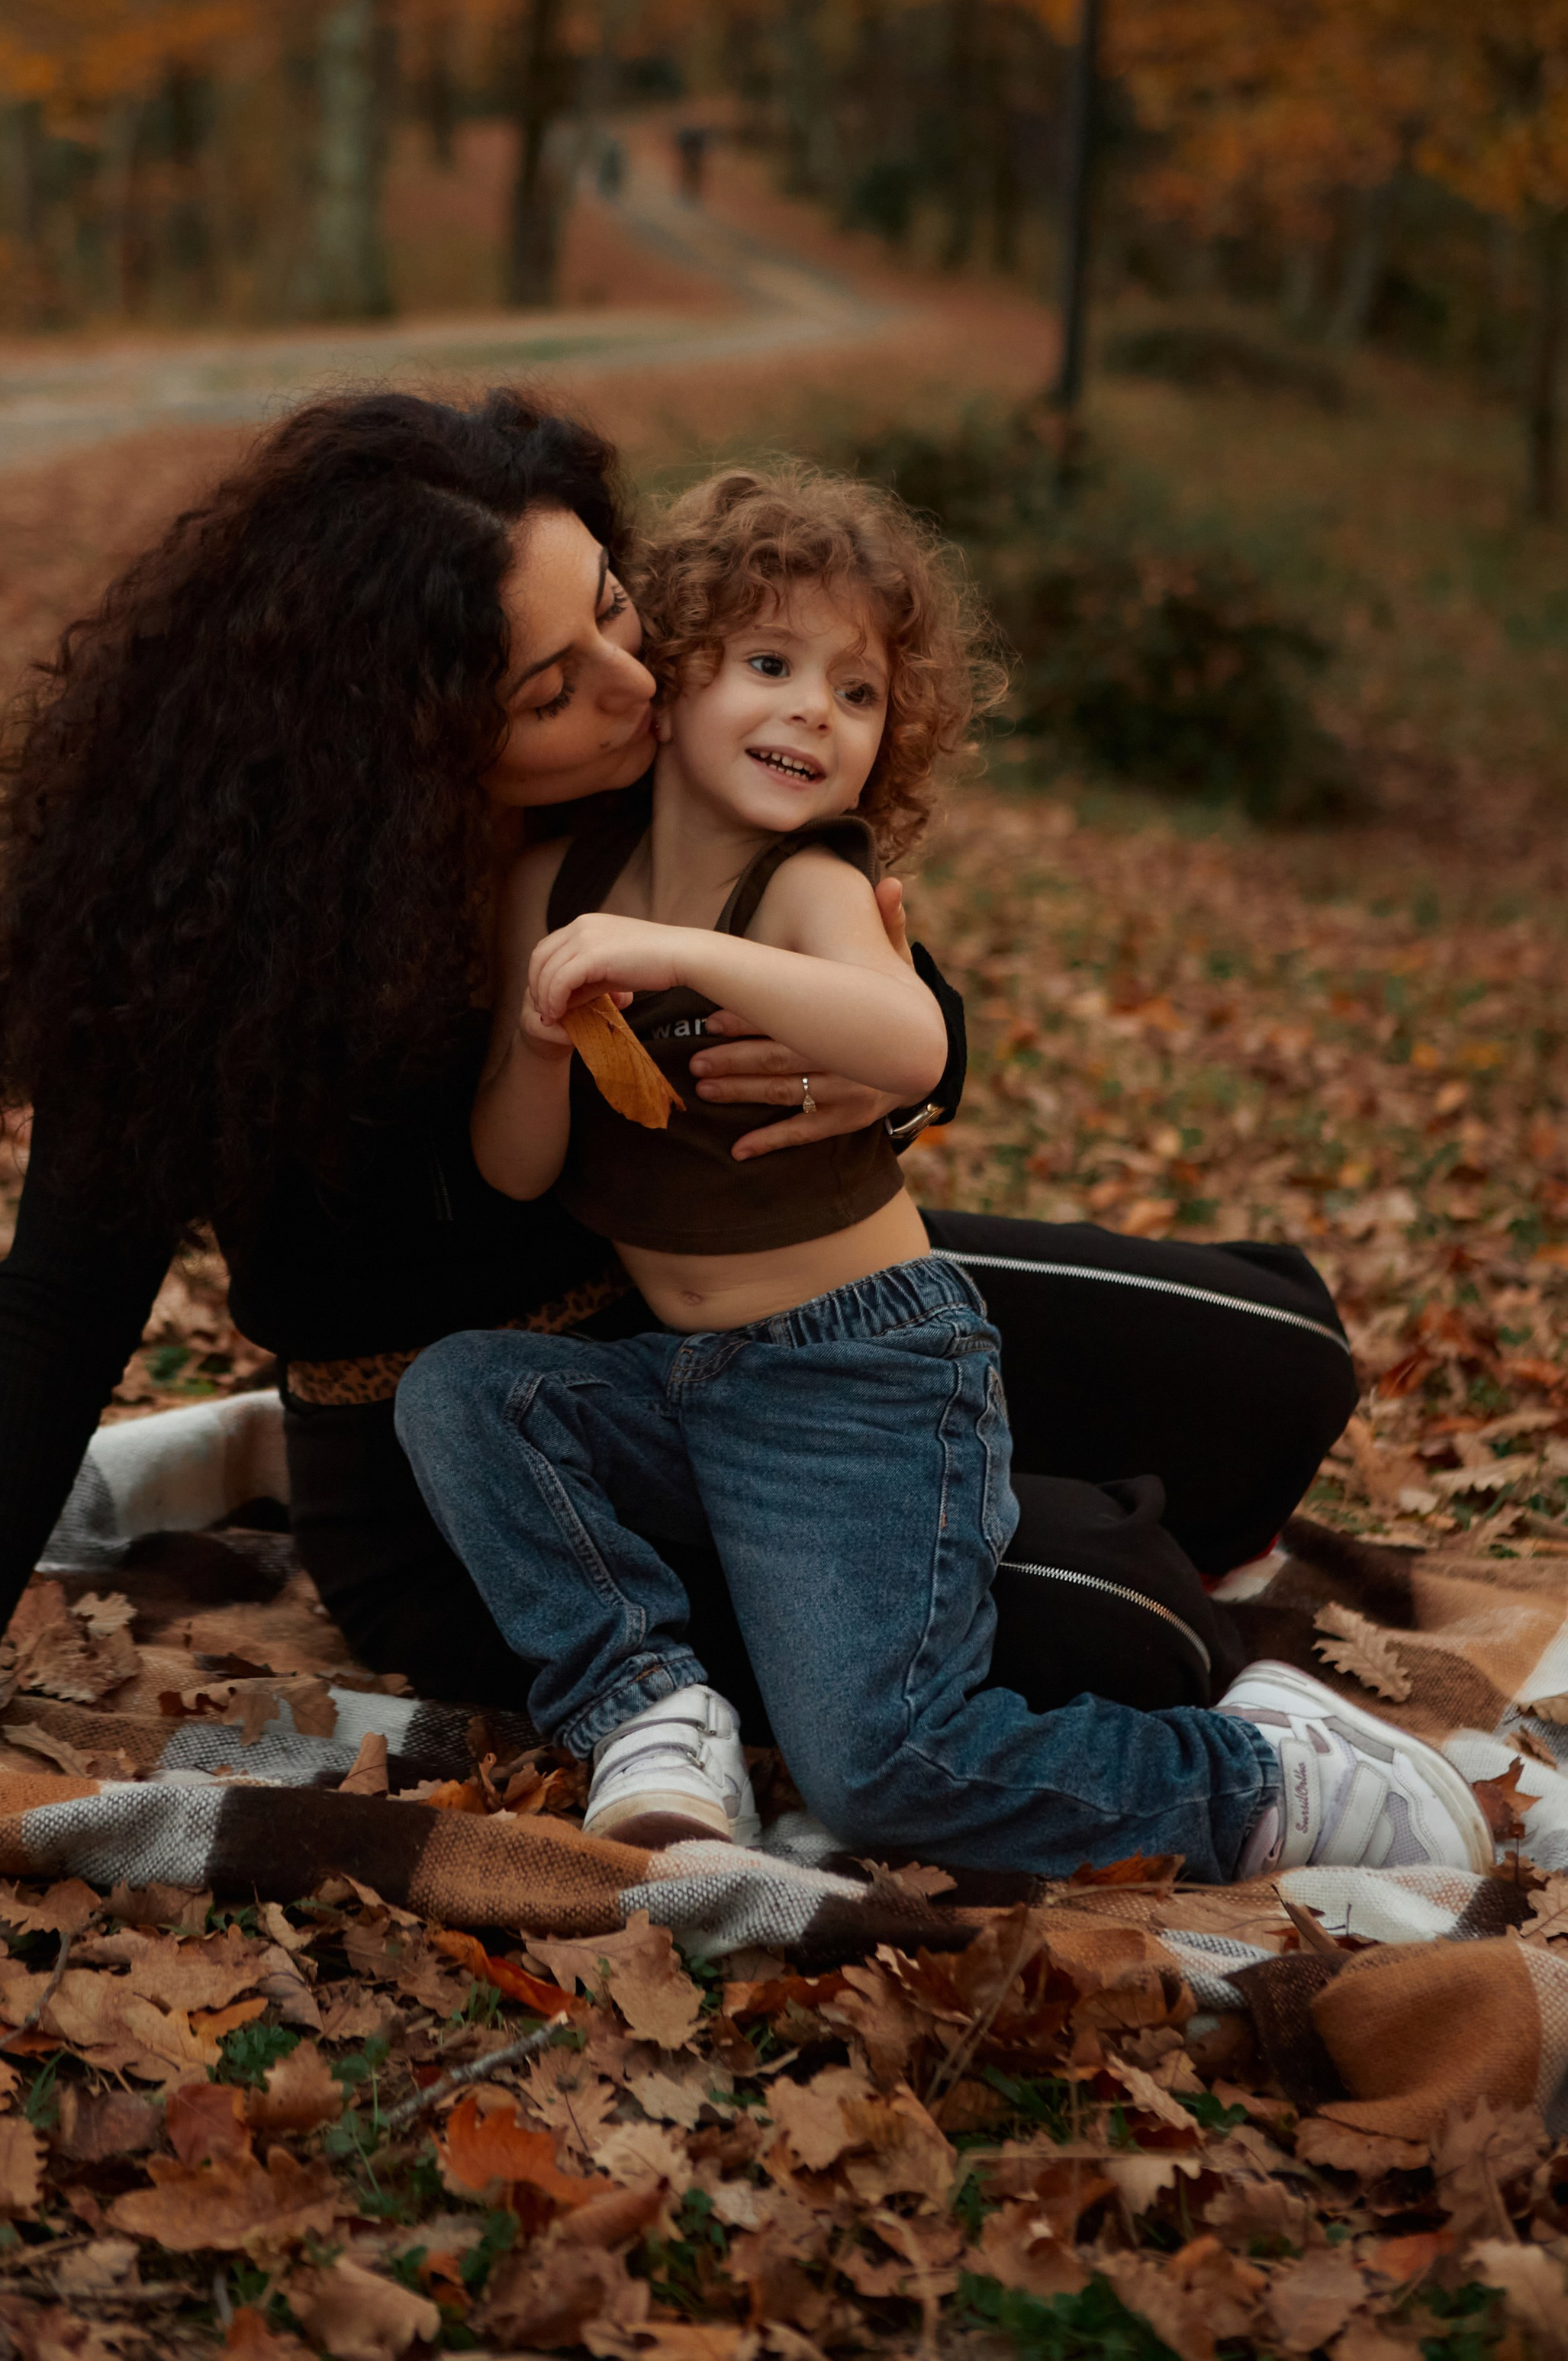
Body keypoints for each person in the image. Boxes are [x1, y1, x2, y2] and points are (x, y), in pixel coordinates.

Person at [0, 391, 1356, 1760]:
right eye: (553, 685)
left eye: (616, 612)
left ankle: (1023, 1490)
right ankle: (1045, 1523)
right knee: (1130, 1622)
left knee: (1276, 1362)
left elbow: (840, 939)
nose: (640, 688)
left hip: (724, 1291)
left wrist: (918, 1061)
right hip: (462, 1458)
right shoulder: (209, 956)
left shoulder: (615, 779)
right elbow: (56, 1312)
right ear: (404, 744)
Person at [393, 469, 1489, 1881]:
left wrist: (682, 959)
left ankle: (1264, 1778)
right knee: (465, 1394)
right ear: (667, 677)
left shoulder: (804, 889)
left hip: (867, 1383)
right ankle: (649, 1708)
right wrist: (542, 1044)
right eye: (772, 665)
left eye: (858, 695)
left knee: (889, 1773)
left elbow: (908, 1043)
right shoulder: (549, 883)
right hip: (677, 1382)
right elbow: (514, 1165)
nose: (813, 712)